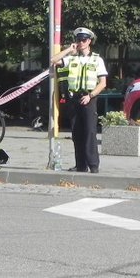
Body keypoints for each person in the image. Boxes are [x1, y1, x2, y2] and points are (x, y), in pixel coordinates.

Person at [55, 27, 108, 174]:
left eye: (83, 40)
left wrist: (90, 96)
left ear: (89, 41)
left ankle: (93, 165)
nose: (80, 42)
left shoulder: (97, 59)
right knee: (76, 133)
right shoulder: (72, 58)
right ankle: (81, 165)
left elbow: (103, 83)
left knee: (90, 132)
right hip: (74, 99)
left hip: (89, 98)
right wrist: (68, 49)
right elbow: (53, 61)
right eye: (78, 40)